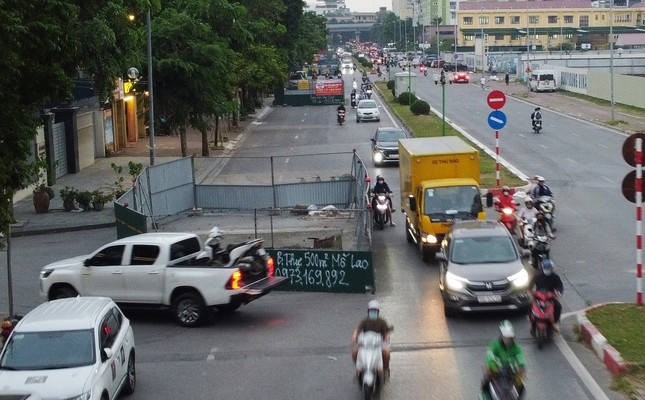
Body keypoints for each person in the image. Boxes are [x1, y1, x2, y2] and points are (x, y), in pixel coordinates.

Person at [480, 320, 526, 400]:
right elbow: (489, 357)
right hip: (497, 372)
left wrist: (522, 369)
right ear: (501, 336)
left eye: (509, 338)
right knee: (485, 380)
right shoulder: (494, 345)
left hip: (511, 373)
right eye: (506, 337)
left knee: (521, 386)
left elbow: (521, 359)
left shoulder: (517, 348)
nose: (508, 340)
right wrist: (490, 366)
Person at [352, 300, 391, 379]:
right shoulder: (365, 321)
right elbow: (358, 329)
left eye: (375, 311)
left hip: (378, 344)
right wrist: (355, 336)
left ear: (378, 312)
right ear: (368, 311)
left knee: (386, 354)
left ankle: (385, 369)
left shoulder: (382, 322)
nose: (373, 312)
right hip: (366, 343)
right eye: (371, 311)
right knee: (355, 352)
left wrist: (387, 337)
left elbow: (387, 332)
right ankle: (359, 368)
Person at [529, 259, 564, 334]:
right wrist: (530, 293)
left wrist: (558, 292)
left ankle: (554, 323)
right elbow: (530, 285)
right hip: (538, 297)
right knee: (530, 306)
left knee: (558, 306)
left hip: (549, 297)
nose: (547, 270)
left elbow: (560, 286)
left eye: (548, 268)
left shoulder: (555, 277)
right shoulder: (538, 276)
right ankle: (532, 325)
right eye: (545, 268)